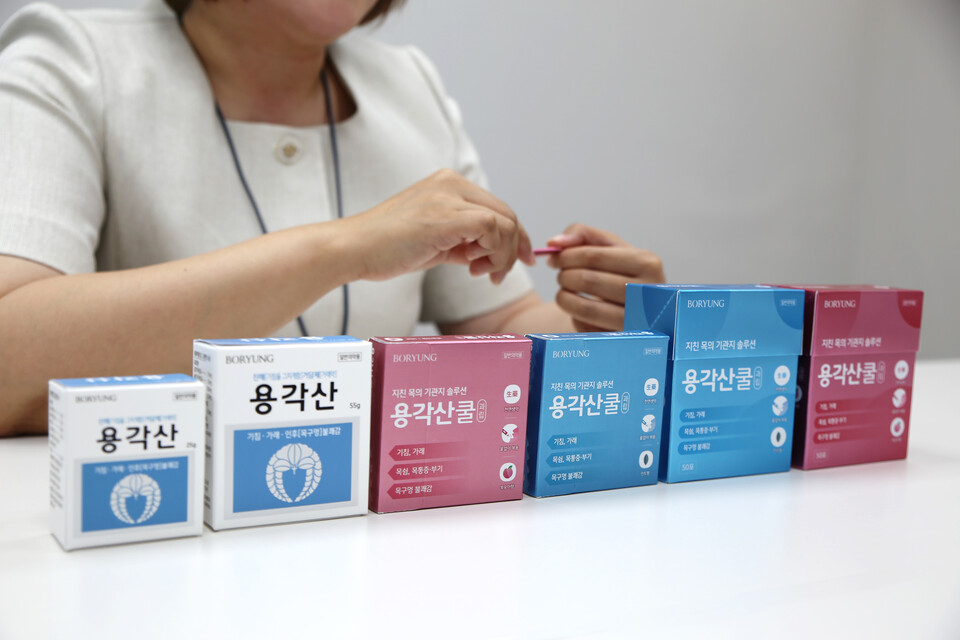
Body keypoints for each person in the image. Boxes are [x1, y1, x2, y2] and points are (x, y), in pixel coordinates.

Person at [0, 0, 665, 437]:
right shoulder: (72, 58)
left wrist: (604, 323)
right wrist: (347, 247)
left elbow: (498, 325)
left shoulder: (408, 84)